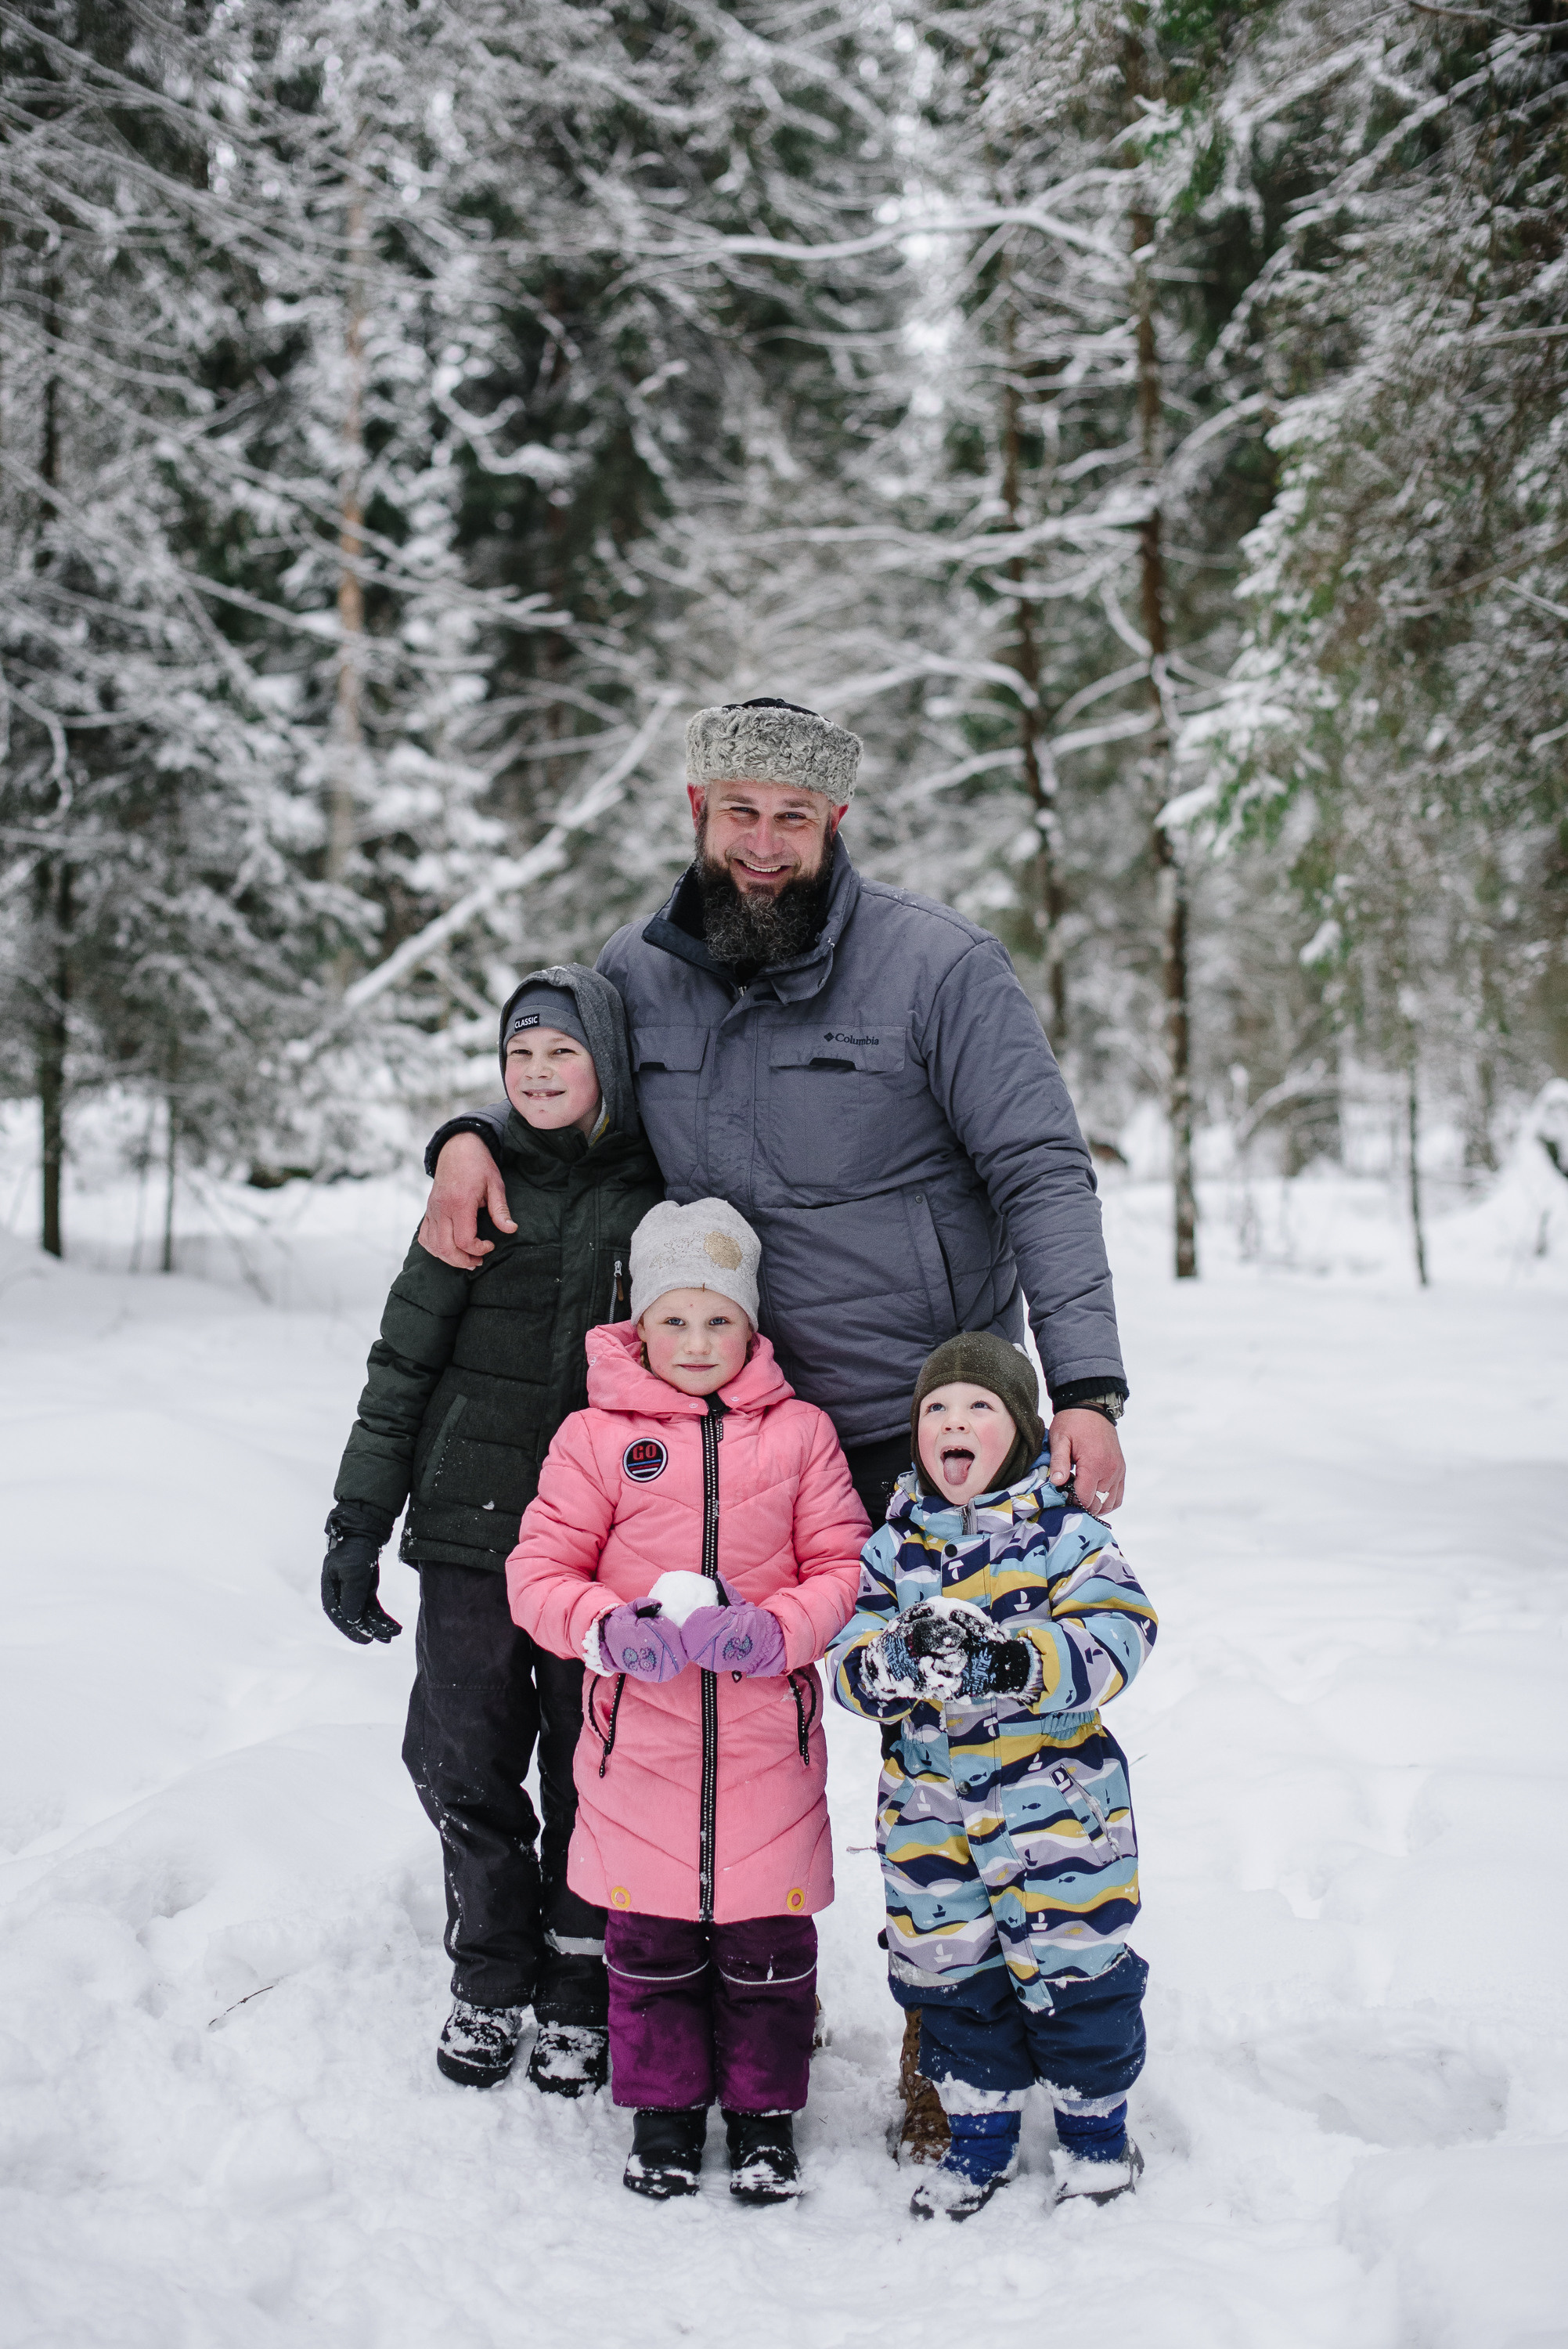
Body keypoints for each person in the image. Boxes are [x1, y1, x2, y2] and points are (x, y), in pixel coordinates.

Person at [417, 693, 1132, 2154]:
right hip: (720, 1428)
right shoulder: (639, 973)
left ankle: (955, 2027)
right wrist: (468, 1139)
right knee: (718, 1706)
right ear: (695, 810)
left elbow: (1041, 1169)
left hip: (911, 1423)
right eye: (738, 811)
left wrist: (1087, 1387)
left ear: (834, 823)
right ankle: (730, 1971)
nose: (762, 843)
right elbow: (557, 1096)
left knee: (959, 1727)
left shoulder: (938, 969)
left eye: (791, 817)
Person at [322, 966, 662, 2095]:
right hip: (468, 1529)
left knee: (587, 1764)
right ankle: (489, 1974)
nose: (537, 1073)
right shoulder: (472, 1188)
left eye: (562, 1052)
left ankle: (576, 1985)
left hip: (601, 1543)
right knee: (461, 1756)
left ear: (608, 1063)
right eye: (518, 1054)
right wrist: (358, 1523)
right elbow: (400, 1365)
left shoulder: (657, 1196)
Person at [506, 1198, 867, 2203]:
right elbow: (537, 1571)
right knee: (648, 1950)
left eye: (718, 1319)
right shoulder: (593, 1438)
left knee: (767, 1952)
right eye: (674, 1319)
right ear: (640, 1324)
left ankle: (762, 2122)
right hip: (640, 1747)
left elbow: (843, 1566)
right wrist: (603, 1628)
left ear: (751, 1327)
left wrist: (776, 1630)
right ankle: (662, 2119)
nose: (697, 1342)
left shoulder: (800, 1435)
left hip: (765, 1745)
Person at [827, 1330, 1158, 2222]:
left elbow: (1121, 1633)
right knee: (953, 1984)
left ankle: (1094, 2135)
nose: (953, 1422)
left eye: (978, 1407)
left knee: (1079, 1974)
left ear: (1019, 1430)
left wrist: (1017, 1662)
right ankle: (977, 2138)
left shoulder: (1066, 1536)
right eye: (935, 1409)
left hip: (1058, 1825)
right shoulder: (891, 1551)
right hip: (931, 1828)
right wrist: (892, 1663)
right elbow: (847, 1662)